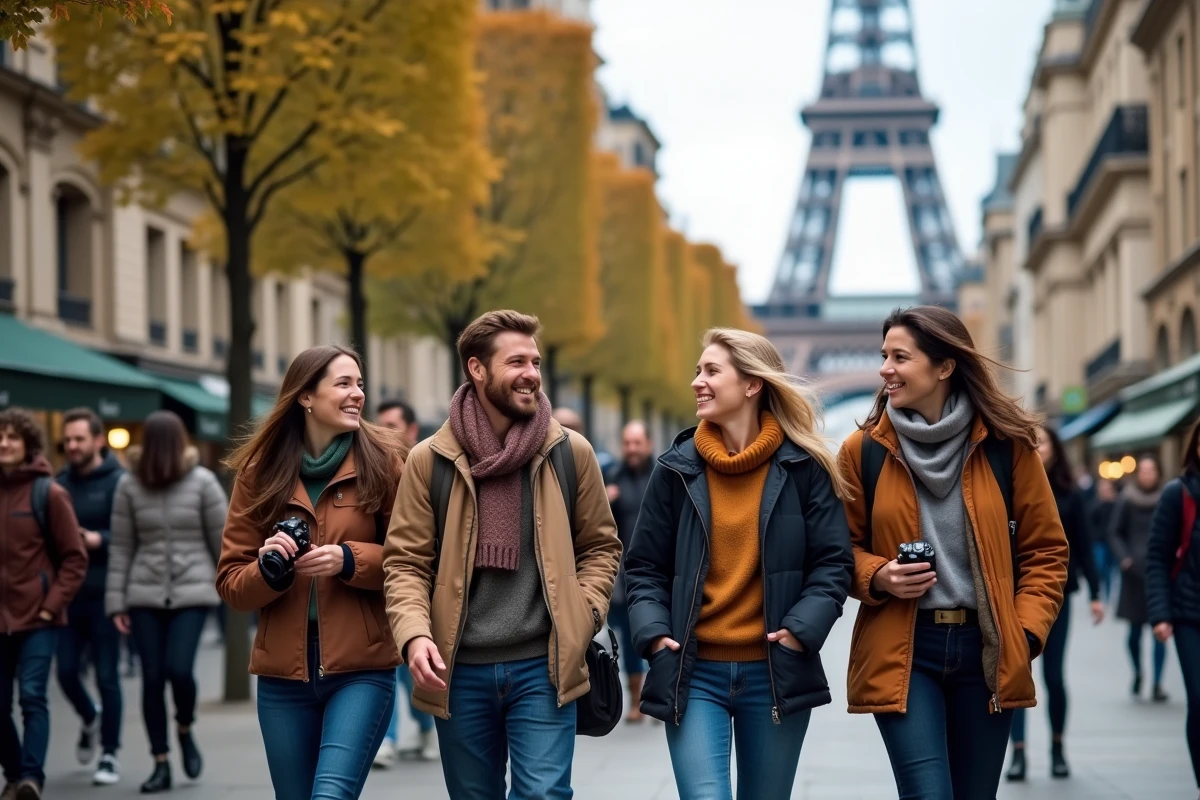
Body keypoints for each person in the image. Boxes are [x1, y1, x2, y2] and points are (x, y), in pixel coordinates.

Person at [383, 310, 621, 799]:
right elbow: (405, 562)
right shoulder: (429, 460)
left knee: (544, 794)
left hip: (544, 662)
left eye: (535, 361)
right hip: (457, 668)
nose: (532, 372)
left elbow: (600, 546)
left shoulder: (568, 452)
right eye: (517, 361)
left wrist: (585, 613)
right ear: (477, 369)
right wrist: (413, 635)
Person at [837, 306, 1069, 800]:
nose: (884, 369)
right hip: (905, 648)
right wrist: (879, 576)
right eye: (883, 356)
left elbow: (1046, 550)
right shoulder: (863, 451)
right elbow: (838, 550)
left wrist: (1024, 634)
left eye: (900, 357)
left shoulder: (1008, 445)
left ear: (944, 366)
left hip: (986, 649)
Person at [624, 328, 854, 800]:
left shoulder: (805, 468)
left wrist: (799, 633)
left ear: (752, 384)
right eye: (696, 371)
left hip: (775, 671)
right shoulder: (674, 470)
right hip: (693, 671)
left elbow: (832, 563)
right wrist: (654, 635)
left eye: (711, 371)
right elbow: (643, 565)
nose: (697, 382)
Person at [217, 346, 405, 800]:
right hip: (283, 676)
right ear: (305, 397)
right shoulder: (258, 474)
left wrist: (348, 559)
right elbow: (231, 585)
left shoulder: (384, 463)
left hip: (362, 669)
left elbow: (415, 562)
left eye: (359, 383)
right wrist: (268, 570)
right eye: (343, 384)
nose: (357, 394)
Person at [106, 411, 228, 794]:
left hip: (192, 593)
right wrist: (116, 604)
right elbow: (122, 546)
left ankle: (185, 728)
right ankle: (160, 761)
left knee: (179, 670)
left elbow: (223, 541)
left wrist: (232, 587)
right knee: (152, 679)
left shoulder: (203, 482)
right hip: (143, 594)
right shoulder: (129, 486)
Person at [1006, 425, 1104, 781]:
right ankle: (1018, 753)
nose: (1037, 447)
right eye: (1031, 441)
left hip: (1056, 595)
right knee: (1016, 673)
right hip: (1013, 595)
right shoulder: (1009, 484)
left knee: (1054, 676)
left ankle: (1058, 748)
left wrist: (1096, 593)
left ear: (1055, 449)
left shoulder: (1069, 492)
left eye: (1042, 441)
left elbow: (1084, 543)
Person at [0, 409, 87, 800]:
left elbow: (74, 557)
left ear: (28, 444)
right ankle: (15, 773)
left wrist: (51, 606)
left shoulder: (48, 492)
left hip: (38, 616)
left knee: (33, 695)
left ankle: (31, 779)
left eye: (12, 437)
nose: (4, 443)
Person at [54, 408, 126, 786]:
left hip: (106, 595)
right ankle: (89, 716)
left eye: (80, 439)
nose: (72, 446)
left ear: (99, 441)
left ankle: (110, 754)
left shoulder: (120, 482)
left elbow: (132, 535)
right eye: (68, 440)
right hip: (68, 595)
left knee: (107, 676)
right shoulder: (59, 483)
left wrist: (101, 539)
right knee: (65, 672)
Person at [373, 398, 438, 766]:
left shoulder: (427, 465)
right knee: (387, 664)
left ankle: (427, 729)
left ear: (412, 430)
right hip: (378, 584)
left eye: (392, 425)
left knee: (412, 662)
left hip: (418, 585)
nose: (383, 433)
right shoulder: (372, 468)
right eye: (379, 424)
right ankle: (388, 739)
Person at [1147, 417, 1200, 796]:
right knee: (1199, 700)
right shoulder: (1178, 493)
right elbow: (1158, 557)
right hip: (1188, 614)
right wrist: (1161, 614)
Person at [605, 420, 655, 722]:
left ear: (647, 444)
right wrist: (604, 501)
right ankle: (636, 701)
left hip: (659, 568)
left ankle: (657, 694)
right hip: (624, 574)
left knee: (657, 632)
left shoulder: (663, 474)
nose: (632, 449)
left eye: (637, 442)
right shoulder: (612, 478)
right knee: (629, 638)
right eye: (627, 443)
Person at [1109, 456, 1168, 702]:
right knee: (1134, 634)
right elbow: (1114, 531)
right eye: (1143, 471)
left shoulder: (1167, 497)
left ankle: (1157, 682)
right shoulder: (1128, 498)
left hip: (1159, 573)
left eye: (1151, 470)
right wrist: (1124, 558)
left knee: (1160, 631)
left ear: (1157, 472)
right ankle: (1138, 672)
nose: (1147, 475)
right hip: (1133, 575)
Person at [552, 407, 616, 477]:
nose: (568, 433)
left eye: (573, 428)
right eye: (562, 428)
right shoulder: (543, 463)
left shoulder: (601, 463)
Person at [1091, 478, 1119, 601]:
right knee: (1101, 567)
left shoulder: (1116, 503)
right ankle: (1100, 591)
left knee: (1111, 569)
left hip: (1112, 541)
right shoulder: (1095, 503)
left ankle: (1108, 594)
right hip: (1100, 541)